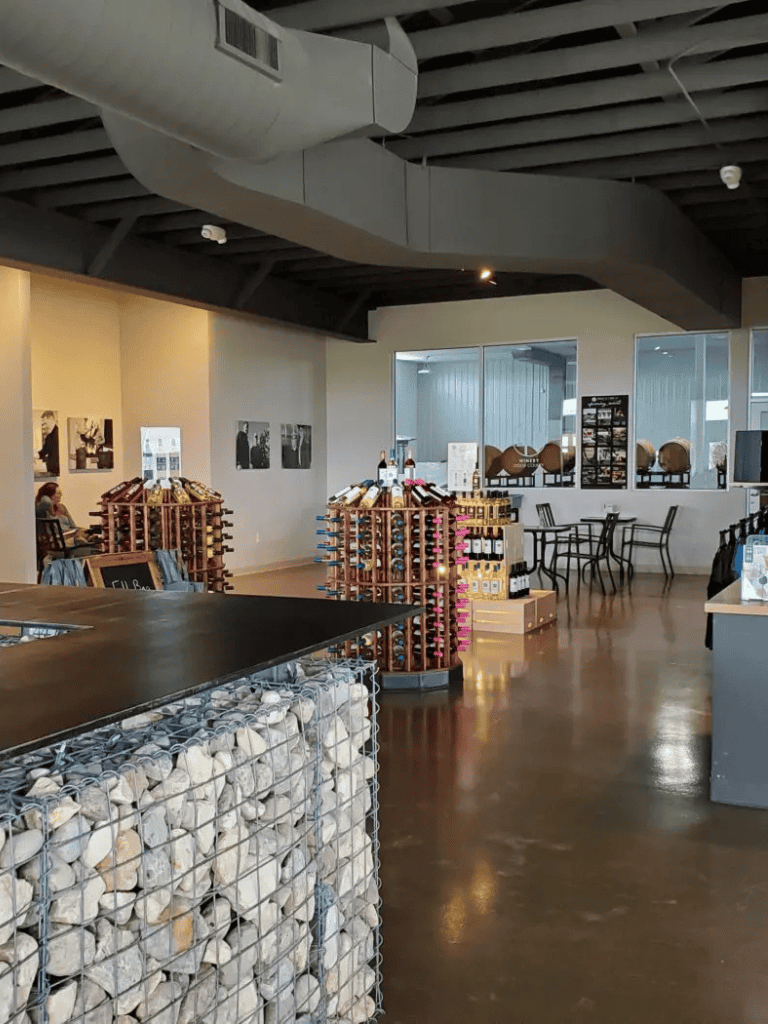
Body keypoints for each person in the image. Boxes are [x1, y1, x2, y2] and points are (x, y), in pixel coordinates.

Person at [35, 482, 97, 549]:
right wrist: (47, 500)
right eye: (58, 493)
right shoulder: (43, 510)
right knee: (81, 538)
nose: (61, 495)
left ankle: (85, 539)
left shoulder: (62, 507)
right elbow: (45, 502)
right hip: (58, 540)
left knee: (86, 531)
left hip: (70, 534)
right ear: (50, 496)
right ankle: (83, 540)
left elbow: (73, 526)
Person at [38, 411, 59, 476]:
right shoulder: (49, 435)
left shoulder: (58, 433)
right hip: (52, 470)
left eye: (45, 422)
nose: (44, 425)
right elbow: (46, 450)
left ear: (50, 419)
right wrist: (36, 455)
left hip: (57, 470)